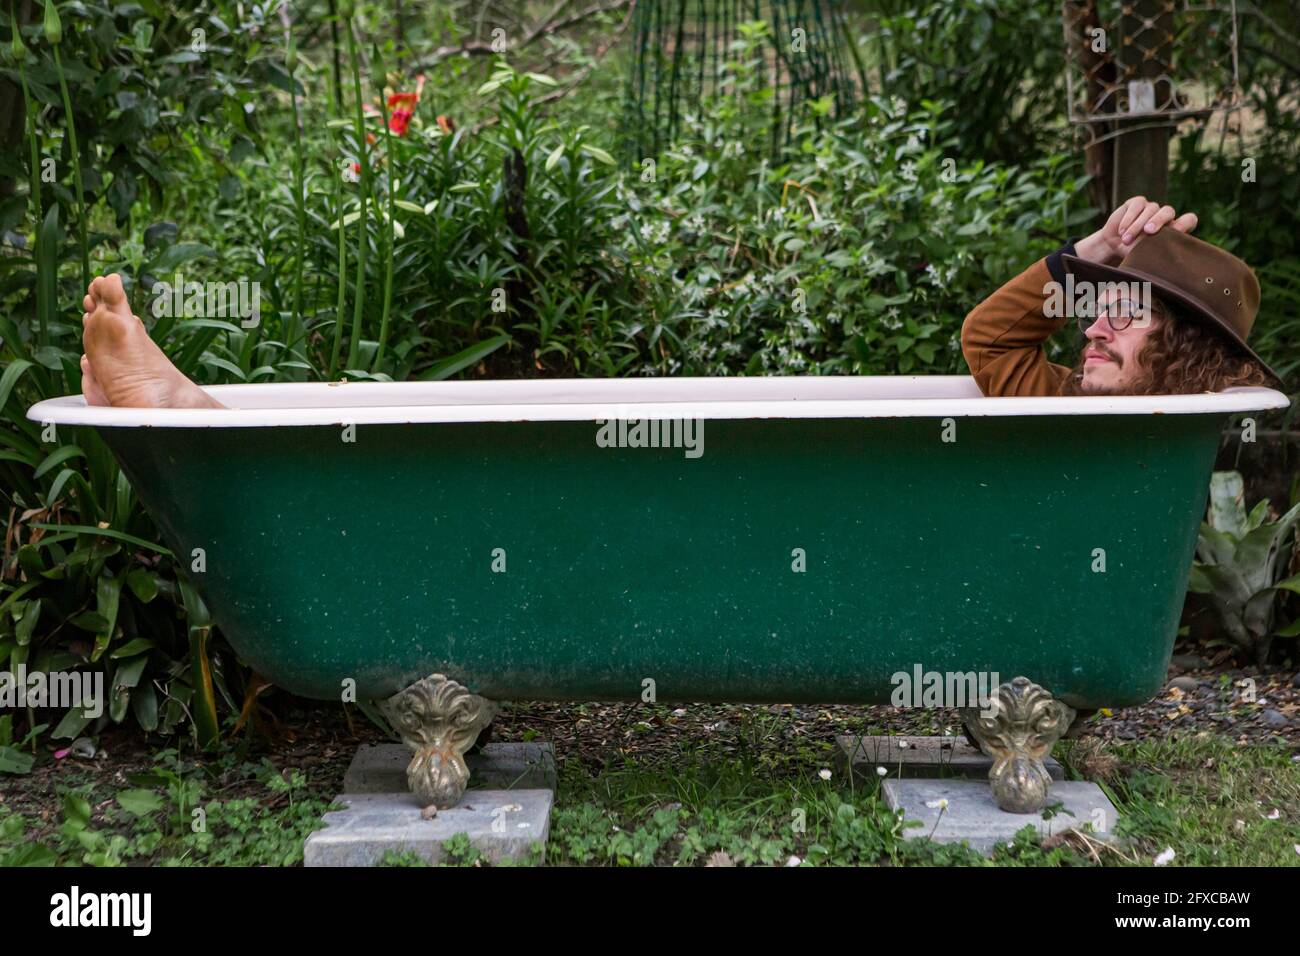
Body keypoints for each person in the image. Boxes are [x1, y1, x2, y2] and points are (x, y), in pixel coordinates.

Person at [961, 195, 1280, 397]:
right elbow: (990, 338)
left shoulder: (1181, 442)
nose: (1091, 331)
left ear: (1190, 344)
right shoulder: (1061, 403)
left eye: (1125, 311)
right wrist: (1105, 244)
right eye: (1095, 312)